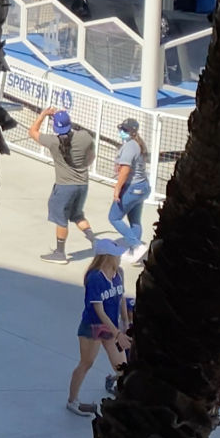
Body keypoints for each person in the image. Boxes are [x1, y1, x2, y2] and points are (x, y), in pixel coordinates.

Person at [67, 240, 130, 417]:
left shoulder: (119, 273)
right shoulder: (95, 278)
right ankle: (72, 401)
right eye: (117, 255)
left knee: (123, 366)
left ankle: (112, 381)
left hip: (111, 327)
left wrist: (125, 322)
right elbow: (98, 310)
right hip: (93, 326)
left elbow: (121, 297)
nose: (120, 257)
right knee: (86, 363)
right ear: (108, 257)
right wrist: (117, 334)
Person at [30, 107, 97, 262]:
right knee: (77, 215)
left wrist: (43, 115)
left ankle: (60, 253)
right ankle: (95, 241)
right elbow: (91, 157)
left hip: (64, 187)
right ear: (70, 123)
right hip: (83, 185)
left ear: (56, 126)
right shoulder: (85, 137)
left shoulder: (53, 142)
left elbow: (32, 132)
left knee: (61, 219)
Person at [110, 118, 153, 262]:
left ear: (132, 132)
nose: (122, 132)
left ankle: (136, 245)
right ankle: (135, 252)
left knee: (114, 217)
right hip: (142, 187)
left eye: (125, 130)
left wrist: (117, 188)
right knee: (134, 220)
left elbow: (125, 171)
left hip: (132, 188)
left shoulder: (130, 147)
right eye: (121, 129)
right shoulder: (138, 145)